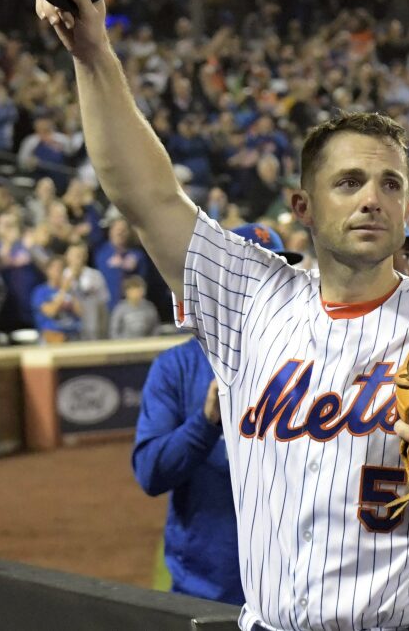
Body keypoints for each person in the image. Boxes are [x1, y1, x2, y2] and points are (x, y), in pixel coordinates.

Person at [38, 0, 409, 630]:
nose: (372, 198)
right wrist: (94, 55)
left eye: (390, 184)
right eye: (348, 182)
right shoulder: (247, 300)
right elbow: (144, 193)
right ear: (302, 208)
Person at [131, 223, 301, 605]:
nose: (263, 289)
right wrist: (205, 423)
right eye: (249, 274)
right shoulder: (176, 368)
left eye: (276, 274)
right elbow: (150, 473)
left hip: (297, 596)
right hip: (206, 594)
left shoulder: (310, 363)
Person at [109, 275, 160, 340]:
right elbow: (114, 331)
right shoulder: (119, 309)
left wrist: (152, 341)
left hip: (146, 344)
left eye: (139, 290)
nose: (136, 293)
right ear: (126, 292)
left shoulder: (149, 307)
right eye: (133, 290)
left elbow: (155, 328)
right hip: (125, 346)